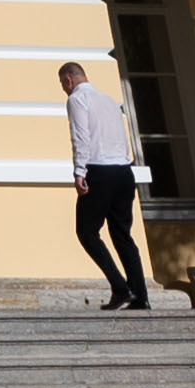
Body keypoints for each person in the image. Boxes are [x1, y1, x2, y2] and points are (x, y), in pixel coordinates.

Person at [63, 57, 155, 310]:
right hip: (124, 172)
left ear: (69, 80)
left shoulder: (77, 99)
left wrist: (79, 170)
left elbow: (80, 136)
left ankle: (120, 288)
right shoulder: (110, 101)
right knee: (122, 235)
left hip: (99, 171)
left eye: (63, 83)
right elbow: (123, 138)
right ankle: (141, 296)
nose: (64, 88)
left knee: (87, 232)